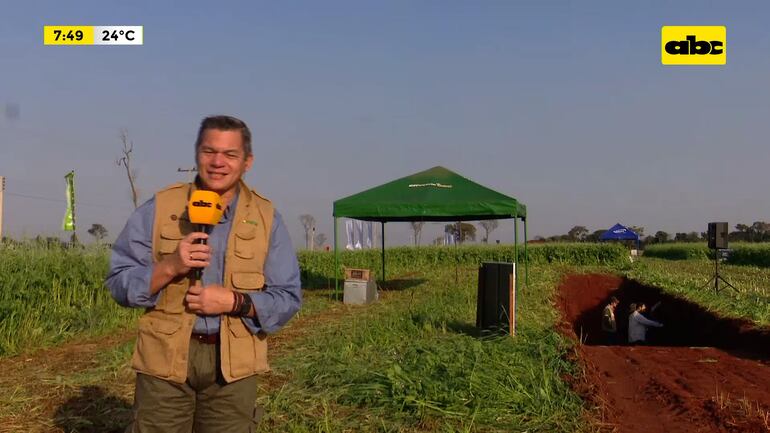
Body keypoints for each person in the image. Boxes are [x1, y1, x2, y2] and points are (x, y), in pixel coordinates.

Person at [106, 115, 302, 432]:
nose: (217, 163)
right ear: (197, 153)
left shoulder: (267, 218)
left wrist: (234, 302)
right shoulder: (160, 207)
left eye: (230, 154)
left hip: (233, 368)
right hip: (165, 363)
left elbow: (288, 298)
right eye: (209, 151)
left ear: (247, 161)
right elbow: (118, 283)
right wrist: (171, 265)